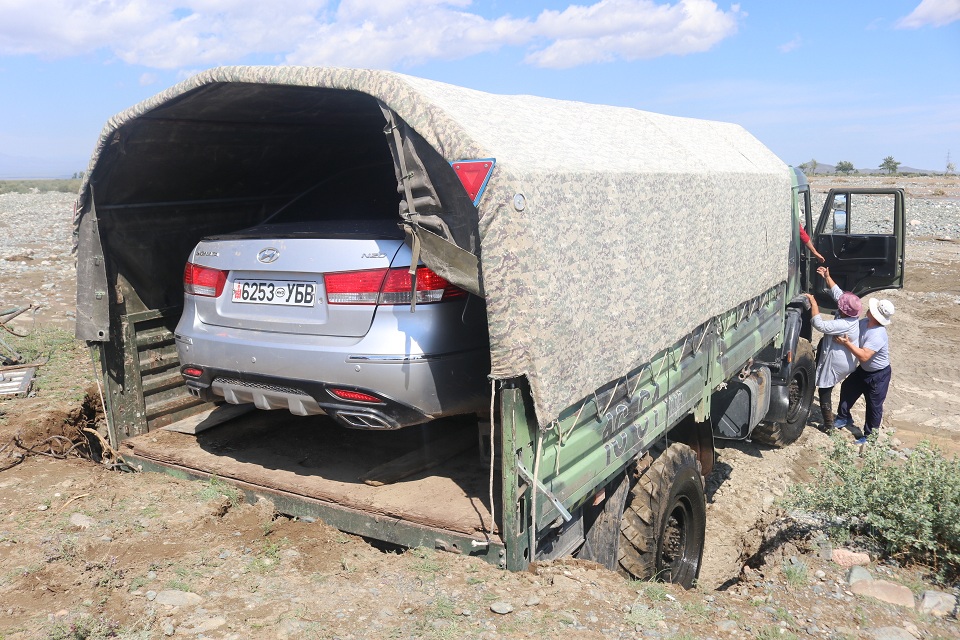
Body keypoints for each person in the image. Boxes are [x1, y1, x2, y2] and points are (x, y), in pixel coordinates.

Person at [805, 266, 861, 430]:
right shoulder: (850, 314)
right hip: (843, 359)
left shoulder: (844, 324)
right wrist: (827, 277)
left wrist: (813, 303)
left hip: (837, 362)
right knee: (823, 385)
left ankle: (828, 424)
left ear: (844, 311)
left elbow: (819, 324)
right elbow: (839, 294)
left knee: (824, 390)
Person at [834, 298, 895, 444]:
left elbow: (864, 355)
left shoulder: (878, 334)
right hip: (863, 370)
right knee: (848, 387)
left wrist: (847, 343)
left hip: (878, 375)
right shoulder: (864, 323)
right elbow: (851, 329)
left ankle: (870, 436)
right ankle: (843, 417)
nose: (868, 309)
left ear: (875, 315)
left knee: (874, 406)